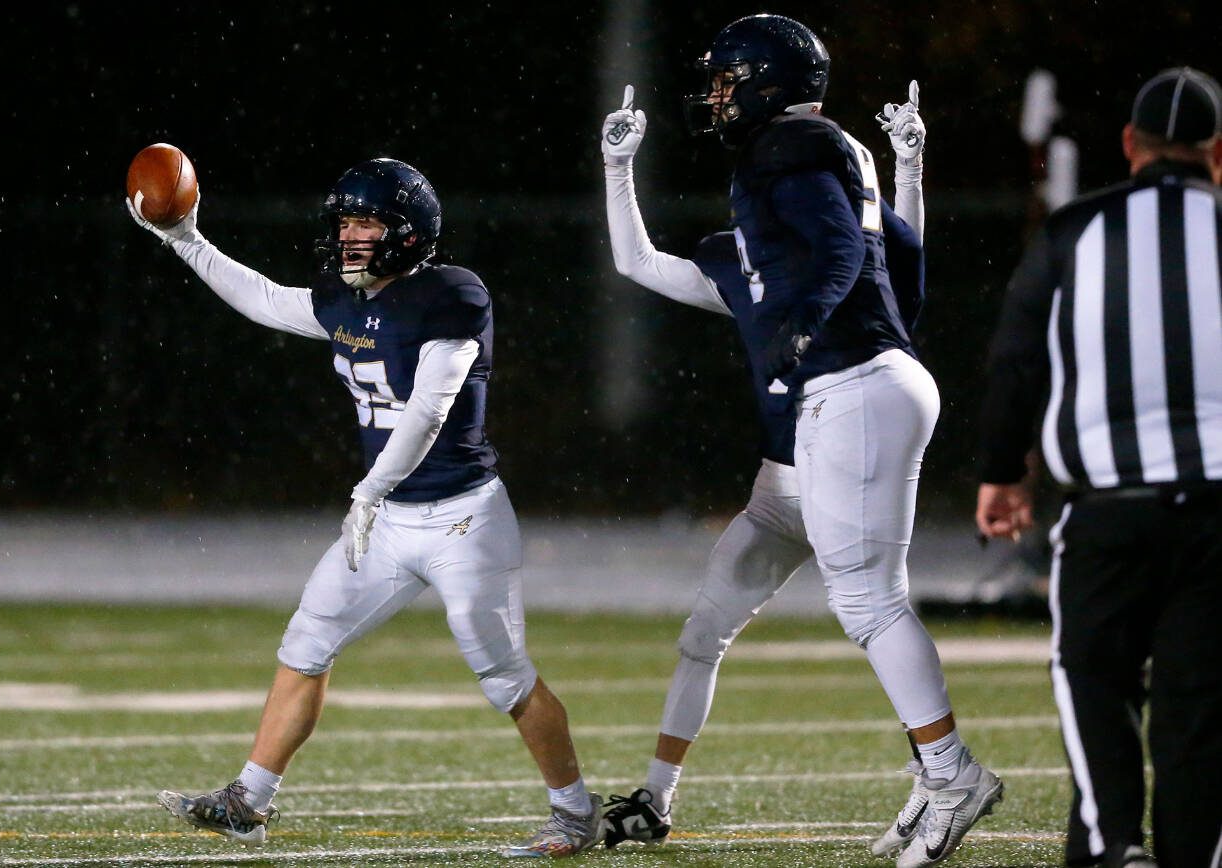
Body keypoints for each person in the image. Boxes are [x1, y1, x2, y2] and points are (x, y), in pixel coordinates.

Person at [599, 15, 1006, 867]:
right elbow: (899, 271)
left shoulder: (790, 157)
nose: (713, 98)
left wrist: (808, 318)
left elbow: (843, 257)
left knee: (868, 602)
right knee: (744, 617)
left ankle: (949, 770)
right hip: (818, 441)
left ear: (763, 83)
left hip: (849, 397)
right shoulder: (774, 219)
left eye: (725, 80)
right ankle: (662, 794)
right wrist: (617, 168)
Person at [127, 157, 605, 858]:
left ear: (409, 232)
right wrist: (186, 240)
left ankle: (575, 814)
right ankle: (248, 801)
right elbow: (266, 299)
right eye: (346, 220)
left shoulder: (453, 295)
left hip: (461, 518)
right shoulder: (346, 301)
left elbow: (431, 410)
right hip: (384, 520)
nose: (351, 235)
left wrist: (368, 490)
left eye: (368, 221)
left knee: (504, 676)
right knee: (306, 642)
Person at [977, 67, 1222, 868]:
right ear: (1216, 152)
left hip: (1109, 512)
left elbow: (1015, 358)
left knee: (1094, 680)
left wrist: (1002, 471)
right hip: (1220, 516)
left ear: (1129, 144)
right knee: (1197, 710)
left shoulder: (1075, 231)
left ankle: (1116, 842)